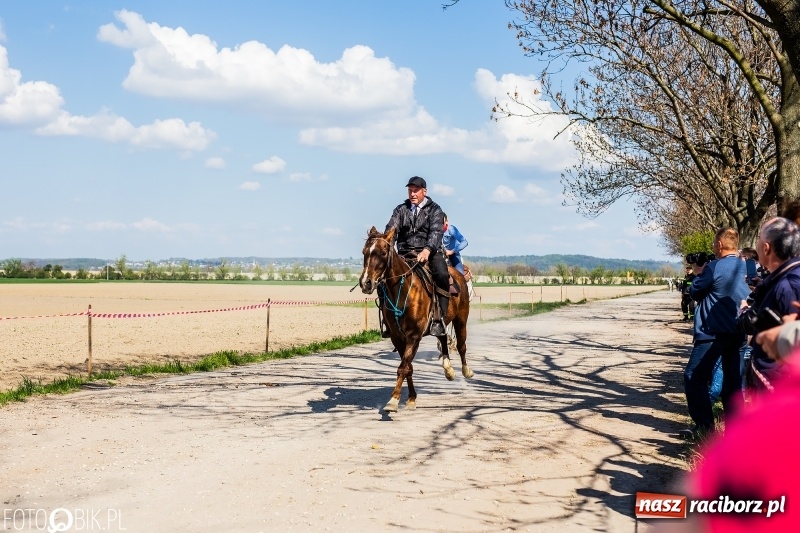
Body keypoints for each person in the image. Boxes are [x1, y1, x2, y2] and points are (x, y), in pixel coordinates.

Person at [684, 228, 750, 437]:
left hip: (712, 333)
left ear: (719, 245)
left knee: (694, 376)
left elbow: (695, 291)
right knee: (733, 383)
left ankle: (705, 427)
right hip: (740, 331)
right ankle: (735, 432)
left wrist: (698, 273)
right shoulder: (749, 266)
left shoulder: (714, 267)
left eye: (714, 244)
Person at [739, 217, 800, 392]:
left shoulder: (786, 286)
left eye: (759, 240)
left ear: (766, 248)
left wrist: (744, 310)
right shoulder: (784, 279)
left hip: (779, 387)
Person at [384, 176, 450, 337]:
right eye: (410, 191)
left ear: (424, 191)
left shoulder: (435, 209)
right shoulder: (400, 210)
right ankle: (388, 321)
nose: (412, 194)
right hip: (404, 253)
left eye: (416, 190)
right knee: (383, 278)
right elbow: (391, 230)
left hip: (430, 252)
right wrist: (387, 245)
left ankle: (439, 319)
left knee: (441, 274)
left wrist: (427, 250)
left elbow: (436, 232)